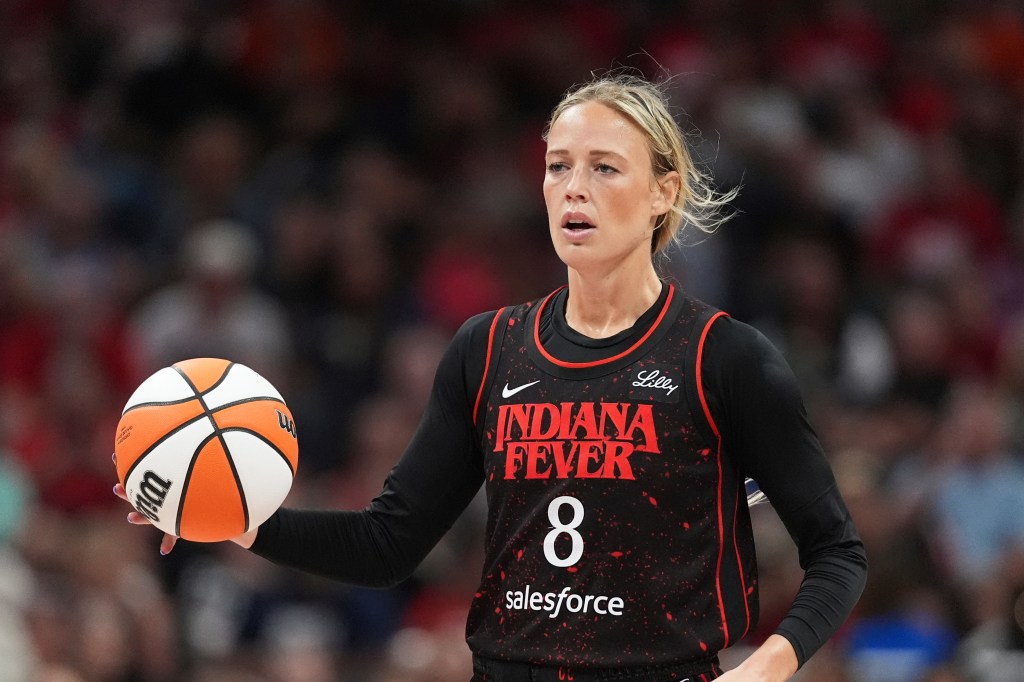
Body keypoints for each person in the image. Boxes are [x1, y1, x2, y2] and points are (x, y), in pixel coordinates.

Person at [115, 73, 867, 681]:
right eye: (557, 167)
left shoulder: (723, 356)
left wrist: (770, 664)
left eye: (605, 168)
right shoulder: (489, 348)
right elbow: (388, 545)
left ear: (663, 192)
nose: (574, 187)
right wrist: (235, 520)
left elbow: (837, 553)